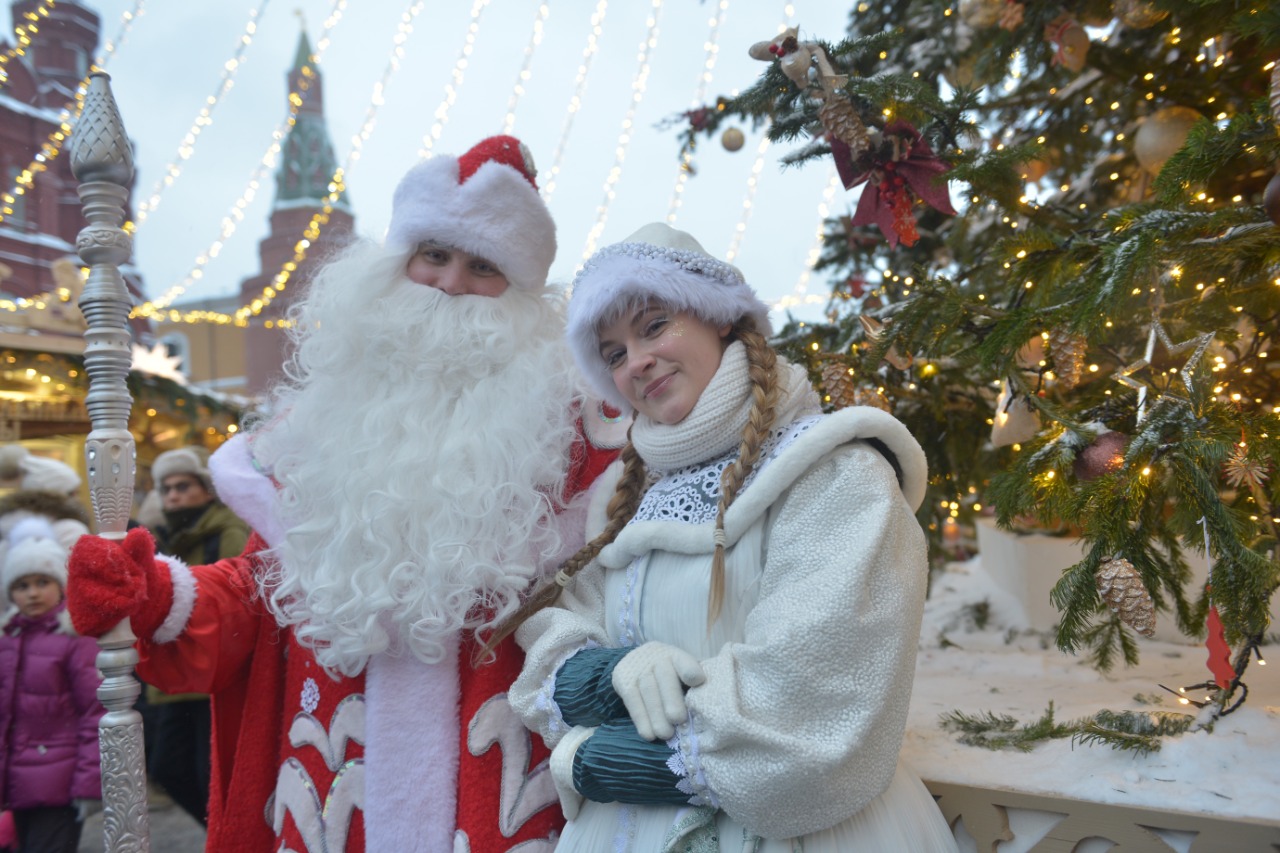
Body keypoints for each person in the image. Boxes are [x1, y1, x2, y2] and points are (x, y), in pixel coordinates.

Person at [65, 135, 623, 852]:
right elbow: (259, 593)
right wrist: (157, 595)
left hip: (505, 798)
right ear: (394, 269)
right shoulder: (317, 433)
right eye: (434, 256)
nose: (450, 283)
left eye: (483, 266)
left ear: (520, 295)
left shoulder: (578, 446)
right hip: (335, 796)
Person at [493, 223, 959, 851]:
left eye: (654, 325)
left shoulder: (835, 472)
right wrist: (607, 673)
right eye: (613, 353)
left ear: (718, 319)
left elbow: (811, 715)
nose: (637, 361)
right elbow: (558, 629)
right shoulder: (629, 500)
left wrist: (591, 759)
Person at [140, 446, 251, 826]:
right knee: (167, 768)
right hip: (172, 677)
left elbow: (238, 596)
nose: (173, 495)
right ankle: (217, 831)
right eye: (166, 488)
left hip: (212, 675)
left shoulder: (227, 529)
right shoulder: (161, 536)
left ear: (205, 488)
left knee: (214, 773)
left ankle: (227, 834)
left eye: (183, 485)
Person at [0, 518, 104, 853]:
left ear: (60, 585)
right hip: (13, 785)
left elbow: (94, 712)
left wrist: (89, 783)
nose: (32, 593)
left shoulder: (74, 639)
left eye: (42, 581)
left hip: (57, 785)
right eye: (22, 585)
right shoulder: (7, 639)